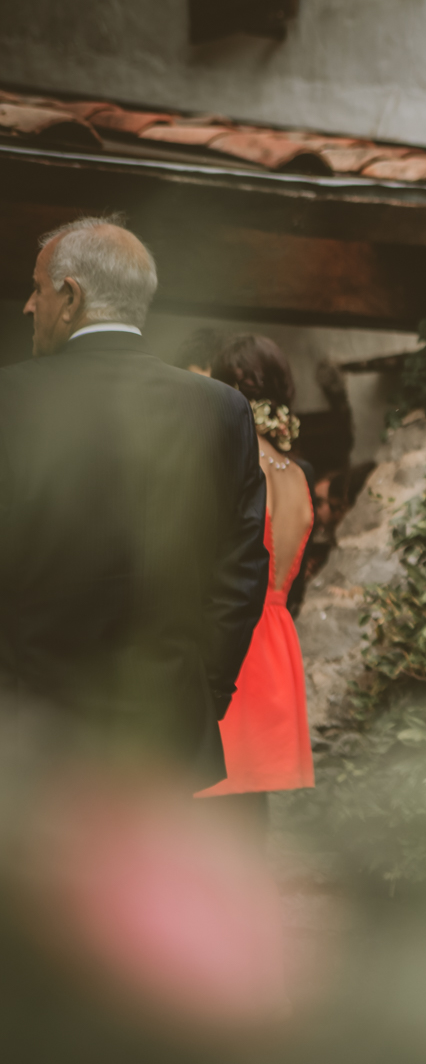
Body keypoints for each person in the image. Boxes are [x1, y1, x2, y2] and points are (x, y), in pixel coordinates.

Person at [0, 217, 268, 783]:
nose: (29, 305)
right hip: (165, 738)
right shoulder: (222, 410)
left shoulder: (11, 403)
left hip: (31, 743)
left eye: (38, 288)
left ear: (70, 297)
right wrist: (202, 697)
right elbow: (240, 579)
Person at [193, 334, 318, 805]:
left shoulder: (237, 465)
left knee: (215, 792)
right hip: (278, 636)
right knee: (251, 801)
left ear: (233, 387)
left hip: (237, 635)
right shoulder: (298, 471)